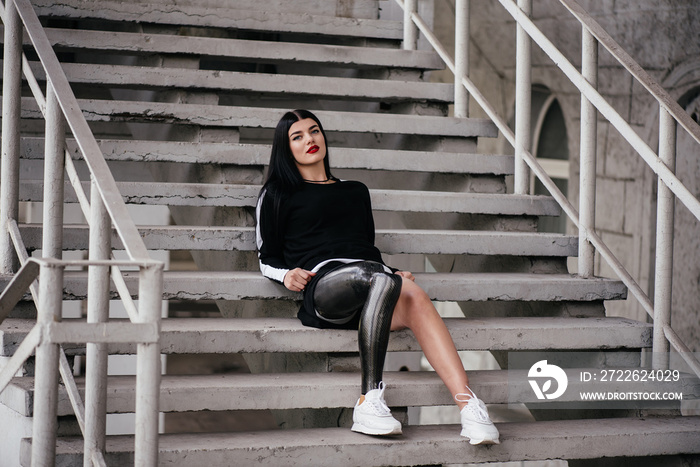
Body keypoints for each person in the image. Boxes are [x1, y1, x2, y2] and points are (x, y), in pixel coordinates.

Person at [255, 109, 500, 445]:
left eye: (314, 131)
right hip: (326, 290)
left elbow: (363, 248)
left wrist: (392, 272)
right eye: (297, 136)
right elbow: (265, 256)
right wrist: (286, 275)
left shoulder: (356, 191)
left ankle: (469, 406)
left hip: (372, 284)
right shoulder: (277, 193)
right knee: (380, 279)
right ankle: (368, 401)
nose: (310, 140)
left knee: (412, 292)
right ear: (286, 149)